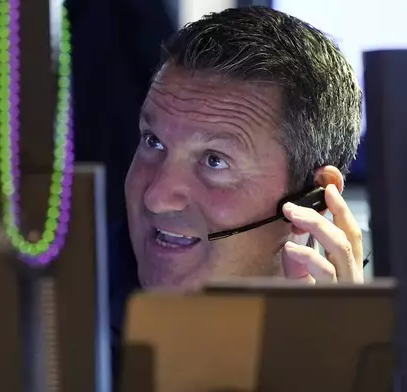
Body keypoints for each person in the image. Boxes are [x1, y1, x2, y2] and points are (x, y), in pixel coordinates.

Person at [110, 4, 364, 363]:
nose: (157, 197)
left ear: (314, 197)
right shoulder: (61, 334)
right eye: (153, 142)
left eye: (214, 160)